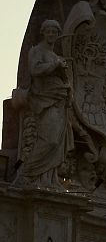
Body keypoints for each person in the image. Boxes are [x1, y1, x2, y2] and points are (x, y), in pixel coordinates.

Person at [15, 19, 73, 189]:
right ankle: (27, 174)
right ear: (43, 33)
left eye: (54, 32)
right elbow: (34, 70)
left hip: (59, 100)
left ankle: (49, 179)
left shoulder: (56, 56)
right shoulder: (37, 51)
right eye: (48, 31)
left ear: (58, 34)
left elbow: (64, 79)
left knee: (57, 143)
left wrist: (67, 85)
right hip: (44, 100)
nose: (51, 34)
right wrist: (55, 65)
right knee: (50, 140)